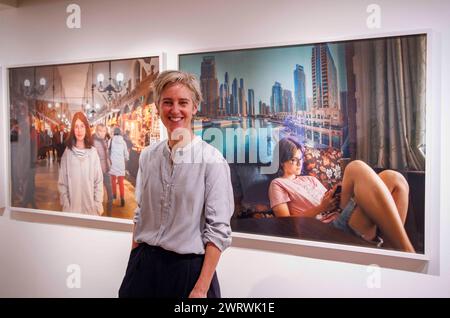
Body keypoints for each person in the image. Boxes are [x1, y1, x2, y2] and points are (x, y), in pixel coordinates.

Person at [118, 70, 234, 298]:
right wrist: (134, 262)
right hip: (144, 266)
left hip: (187, 272)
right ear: (158, 107)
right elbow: (141, 214)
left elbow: (218, 230)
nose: (175, 110)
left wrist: (201, 289)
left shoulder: (211, 160)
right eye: (167, 102)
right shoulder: (148, 156)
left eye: (183, 102)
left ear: (195, 107)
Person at [268, 137, 415, 253]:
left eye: (301, 159)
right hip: (325, 230)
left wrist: (336, 193)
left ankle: (392, 251)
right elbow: (285, 224)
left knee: (395, 179)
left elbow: (328, 198)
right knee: (355, 167)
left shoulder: (311, 179)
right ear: (281, 162)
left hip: (338, 213)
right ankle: (407, 253)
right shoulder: (278, 184)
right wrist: (320, 208)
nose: (299, 164)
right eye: (294, 160)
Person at [57, 112, 103, 215]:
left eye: (82, 126)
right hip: (73, 212)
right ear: (73, 129)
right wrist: (67, 206)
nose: (79, 130)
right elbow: (62, 183)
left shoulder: (93, 153)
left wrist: (97, 205)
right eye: (76, 126)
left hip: (91, 211)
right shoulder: (67, 154)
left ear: (86, 128)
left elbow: (98, 181)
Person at [92, 123, 114, 215]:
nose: (102, 133)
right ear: (97, 131)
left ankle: (109, 213)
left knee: (110, 192)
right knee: (98, 193)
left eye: (104, 131)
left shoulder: (103, 140)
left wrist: (109, 162)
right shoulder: (93, 141)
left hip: (106, 169)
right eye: (100, 130)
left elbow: (106, 154)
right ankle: (98, 213)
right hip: (98, 171)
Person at [109, 127, 129, 207]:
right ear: (120, 133)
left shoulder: (111, 141)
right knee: (121, 182)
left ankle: (114, 194)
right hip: (121, 164)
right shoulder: (123, 142)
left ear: (114, 133)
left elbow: (108, 150)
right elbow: (126, 153)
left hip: (113, 163)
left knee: (113, 180)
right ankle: (122, 198)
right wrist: (126, 158)